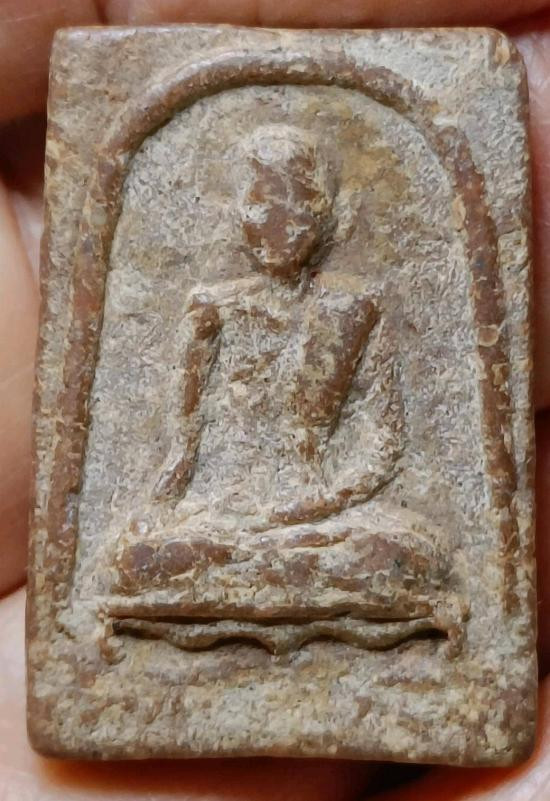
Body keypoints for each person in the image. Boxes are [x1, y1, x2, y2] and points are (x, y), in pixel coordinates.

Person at [1, 2, 550, 799]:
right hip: (223, 515)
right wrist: (176, 504)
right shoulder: (212, 308)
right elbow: (182, 443)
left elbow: (382, 443)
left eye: (296, 202)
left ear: (327, 213)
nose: (277, 222)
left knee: (412, 554)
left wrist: (312, 503)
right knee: (138, 558)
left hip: (321, 514)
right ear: (238, 215)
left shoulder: (355, 309)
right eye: (261, 203)